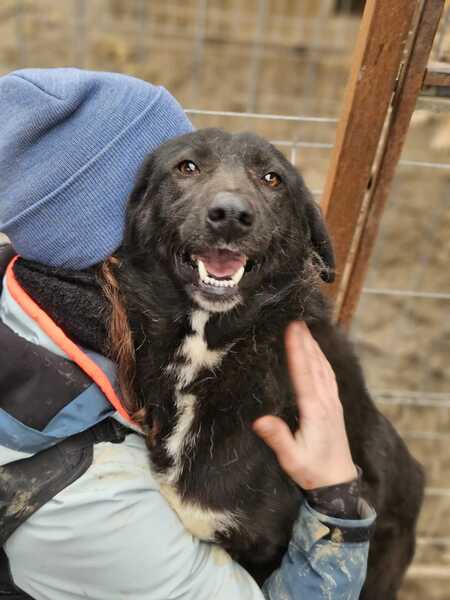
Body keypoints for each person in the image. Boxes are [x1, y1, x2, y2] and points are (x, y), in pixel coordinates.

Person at [0, 68, 375, 600]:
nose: (227, 199)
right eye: (185, 168)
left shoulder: (27, 296)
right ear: (126, 222)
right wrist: (336, 498)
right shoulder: (86, 499)